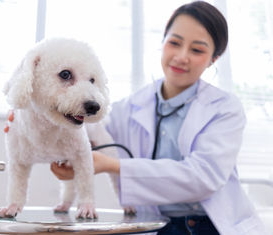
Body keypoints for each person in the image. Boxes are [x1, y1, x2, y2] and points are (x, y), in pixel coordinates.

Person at [50, 1, 269, 235]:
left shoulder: (225, 109)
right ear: (163, 42)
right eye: (174, 43)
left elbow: (203, 177)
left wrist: (113, 165)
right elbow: (84, 129)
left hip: (211, 226)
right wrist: (30, 119)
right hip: (156, 225)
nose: (181, 56)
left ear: (213, 59)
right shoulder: (130, 107)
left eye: (197, 50)